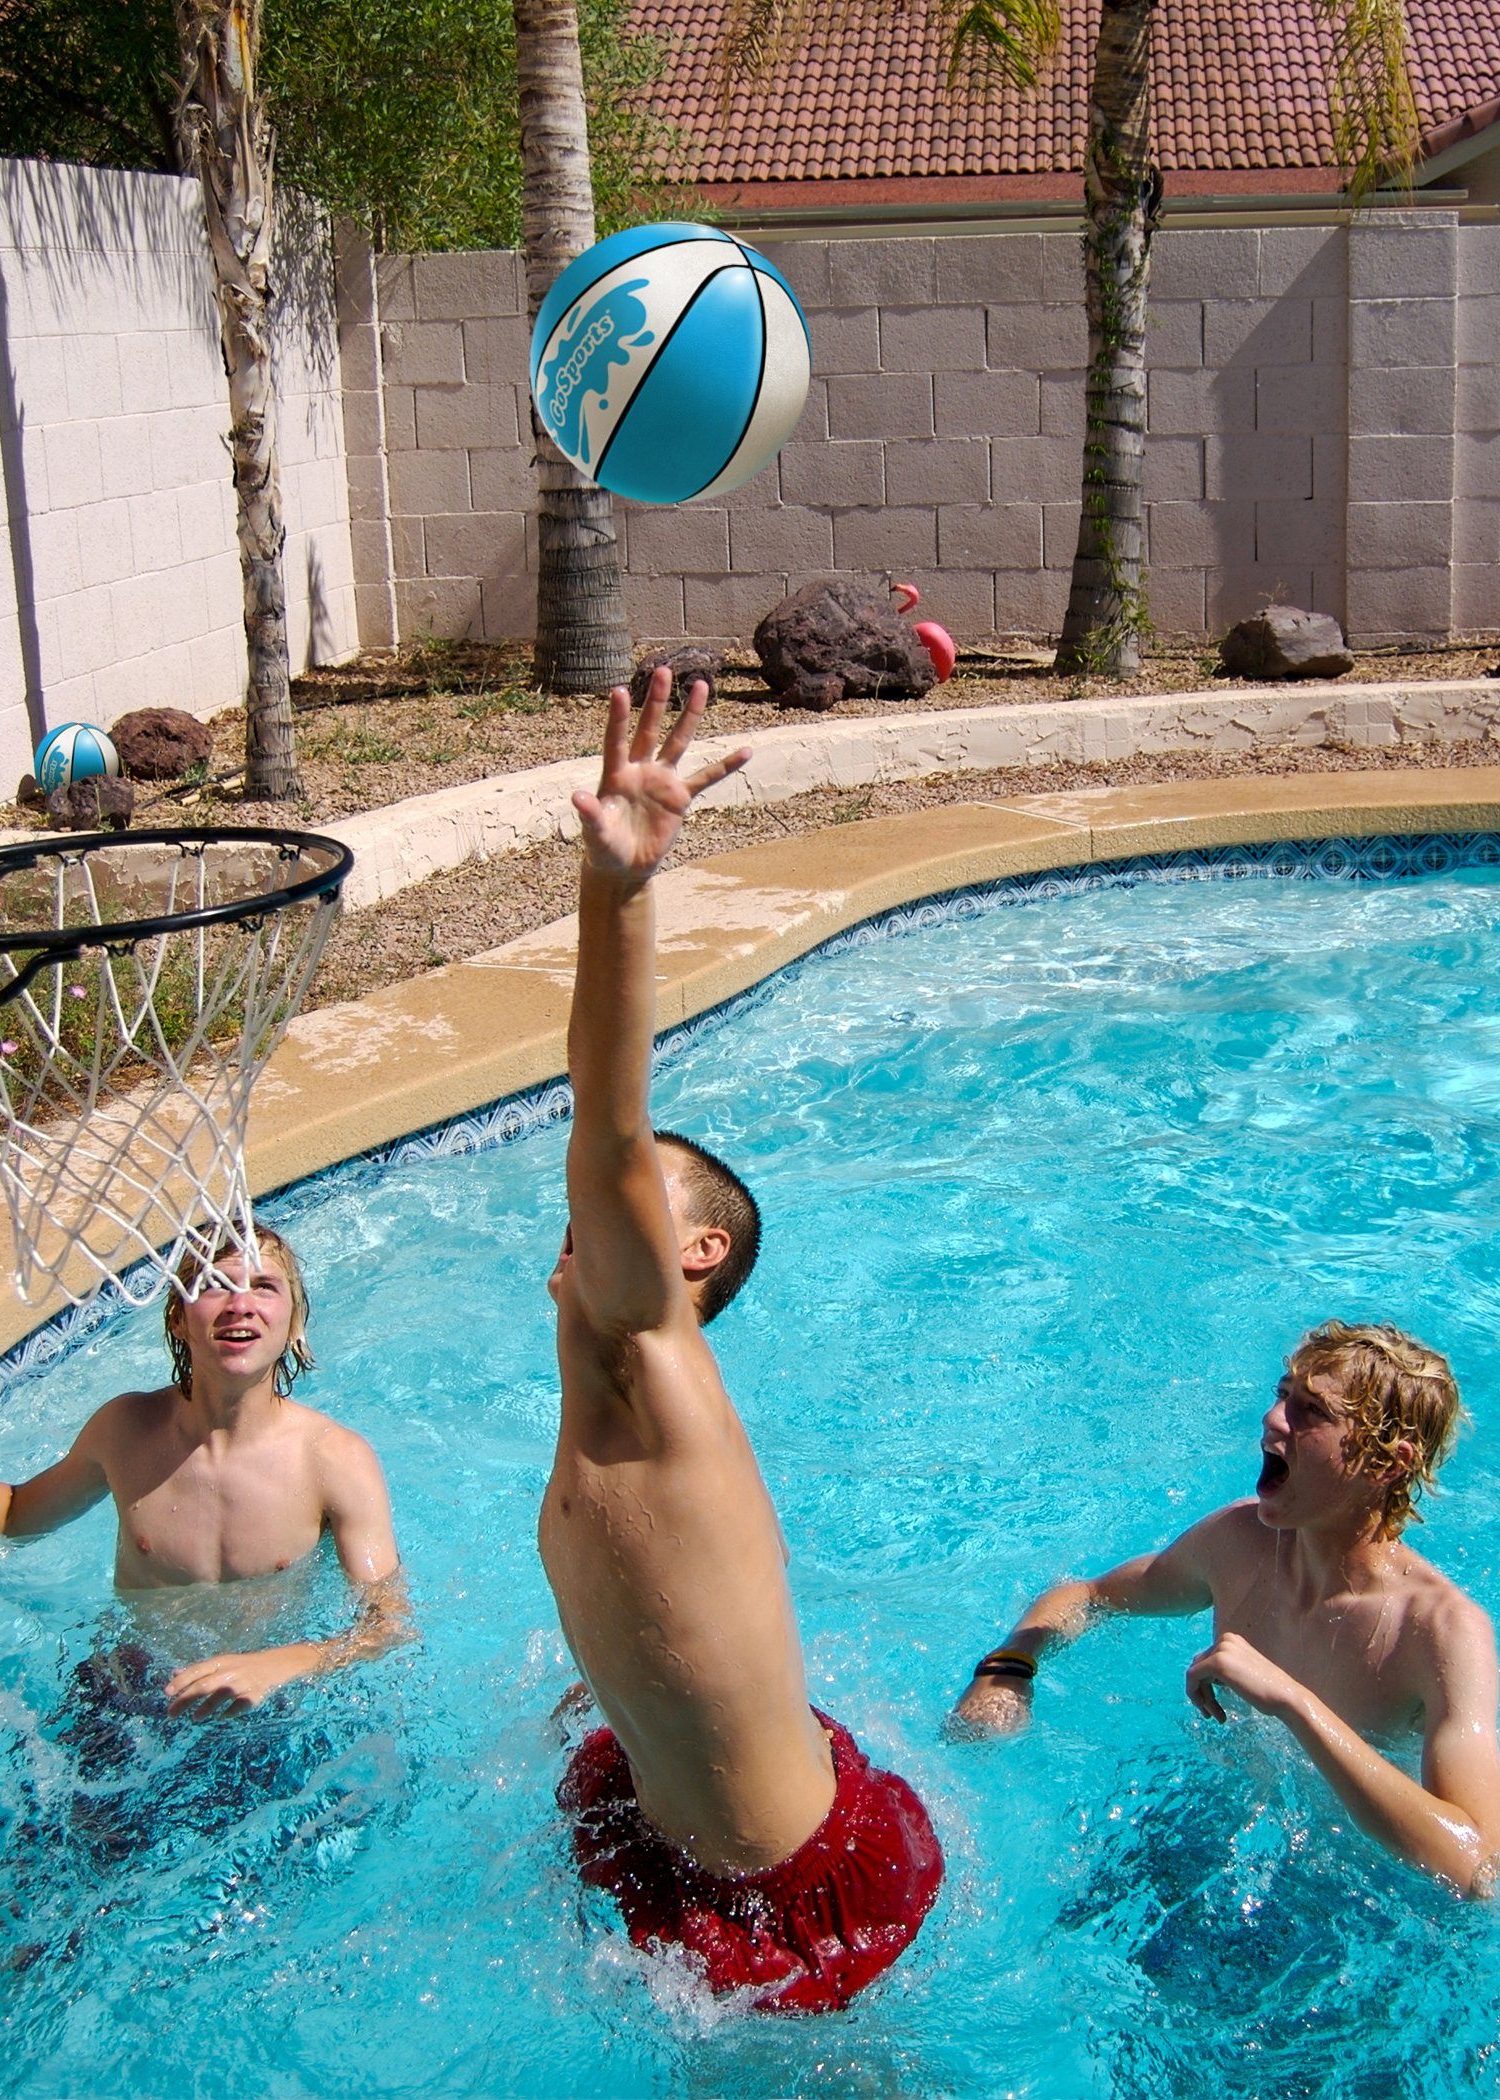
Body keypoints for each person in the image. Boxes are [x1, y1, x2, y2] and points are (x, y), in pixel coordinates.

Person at [542, 667, 944, 2015]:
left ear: (691, 1256)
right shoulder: (614, 1395)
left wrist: (620, 891)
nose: (592, 1209)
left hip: (789, 1875)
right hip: (674, 1816)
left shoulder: (649, 1347)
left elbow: (604, 1114)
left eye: (631, 1203)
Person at [0, 1224, 409, 1718]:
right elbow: (16, 1514)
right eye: (214, 1285)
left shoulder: (334, 1462)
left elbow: (387, 1624)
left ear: (294, 1323)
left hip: (258, 1703)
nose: (241, 1305)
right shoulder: (126, 1431)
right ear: (179, 1319)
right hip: (130, 1683)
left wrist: (283, 1664)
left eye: (264, 1287)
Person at [950, 1320, 1500, 1894]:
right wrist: (1009, 1666)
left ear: (1387, 1464)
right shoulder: (1241, 1544)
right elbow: (1088, 1596)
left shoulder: (1441, 1631)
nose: (1273, 1419)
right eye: (1282, 1394)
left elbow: (1475, 1867)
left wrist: (1294, 1702)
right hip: (1221, 1818)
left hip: (1353, 1884)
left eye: (1312, 1412)